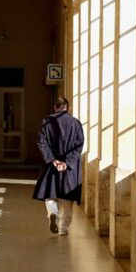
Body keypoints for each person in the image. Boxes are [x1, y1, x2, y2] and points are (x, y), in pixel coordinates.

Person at [32, 96, 84, 235]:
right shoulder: (76, 123)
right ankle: (64, 228)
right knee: (67, 197)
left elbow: (41, 143)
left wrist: (52, 160)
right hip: (69, 168)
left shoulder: (46, 122)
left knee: (50, 194)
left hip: (51, 166)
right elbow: (79, 146)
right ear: (68, 108)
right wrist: (66, 162)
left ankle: (52, 213)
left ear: (55, 107)